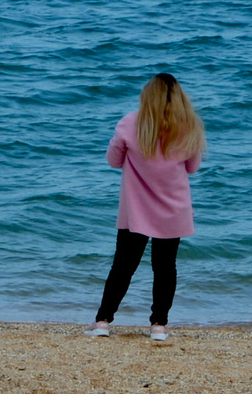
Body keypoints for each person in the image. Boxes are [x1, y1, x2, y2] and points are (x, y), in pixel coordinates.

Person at [86, 73, 204, 343]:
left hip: (136, 209)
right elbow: (192, 168)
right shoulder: (188, 126)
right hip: (173, 209)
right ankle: (159, 325)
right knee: (165, 267)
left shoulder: (130, 123)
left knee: (123, 266)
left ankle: (103, 320)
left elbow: (114, 160)